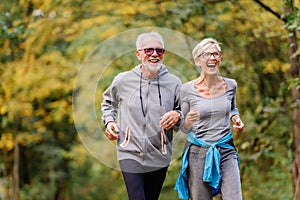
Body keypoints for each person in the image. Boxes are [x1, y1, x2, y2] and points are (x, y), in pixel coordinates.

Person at [101, 31, 183, 200]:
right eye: (149, 50)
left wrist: (178, 114)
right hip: (129, 151)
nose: (154, 54)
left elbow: (186, 114)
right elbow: (108, 103)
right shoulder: (123, 80)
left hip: (159, 153)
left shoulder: (174, 83)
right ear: (138, 54)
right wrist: (109, 122)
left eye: (159, 50)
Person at [174, 38, 244, 200]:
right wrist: (187, 122)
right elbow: (181, 128)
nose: (212, 58)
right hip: (198, 153)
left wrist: (236, 117)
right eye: (207, 54)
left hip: (226, 150)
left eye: (216, 54)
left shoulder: (231, 85)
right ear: (198, 61)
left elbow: (232, 107)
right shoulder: (186, 90)